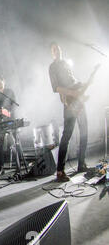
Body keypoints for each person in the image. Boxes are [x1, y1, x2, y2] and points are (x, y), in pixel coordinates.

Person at [49, 42, 88, 182]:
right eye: (54, 50)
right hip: (69, 103)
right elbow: (56, 88)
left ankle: (81, 164)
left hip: (78, 100)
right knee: (67, 135)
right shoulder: (52, 67)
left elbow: (73, 80)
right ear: (51, 53)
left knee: (84, 130)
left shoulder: (66, 63)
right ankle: (60, 171)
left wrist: (81, 86)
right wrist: (71, 92)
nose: (57, 51)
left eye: (58, 48)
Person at [0, 75, 18, 177]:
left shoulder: (9, 92)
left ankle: (18, 165)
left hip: (11, 120)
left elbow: (14, 105)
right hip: (1, 122)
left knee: (15, 142)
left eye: (0, 83)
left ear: (4, 81)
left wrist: (9, 111)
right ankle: (1, 168)